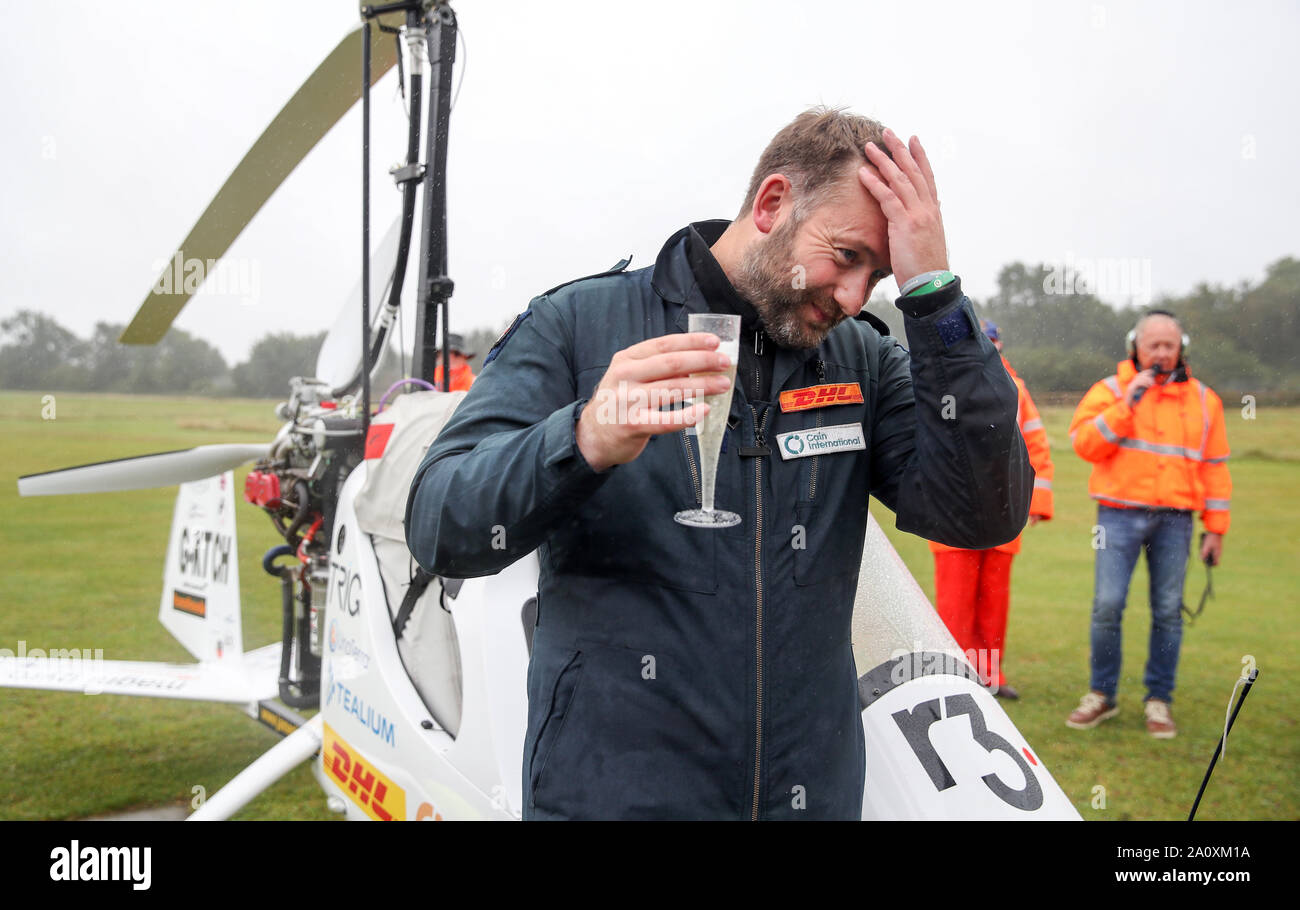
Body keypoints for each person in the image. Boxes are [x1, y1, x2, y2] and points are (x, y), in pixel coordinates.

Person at [405, 108, 1032, 819]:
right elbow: (438, 523)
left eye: (882, 276)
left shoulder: (860, 357)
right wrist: (580, 440)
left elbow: (981, 513)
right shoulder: (578, 325)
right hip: (611, 798)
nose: (857, 297)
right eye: (848, 255)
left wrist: (936, 300)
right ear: (771, 205)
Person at [1065, 310, 1230, 739]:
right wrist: (1126, 405)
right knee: (1107, 606)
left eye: (1169, 345)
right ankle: (1101, 694)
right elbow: (1084, 445)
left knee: (1169, 612)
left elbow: (1215, 467)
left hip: (1177, 521)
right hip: (1116, 517)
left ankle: (1159, 701)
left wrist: (1216, 527)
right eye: (1153, 345)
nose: (1161, 353)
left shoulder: (1205, 400)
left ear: (1182, 349)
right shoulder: (1110, 390)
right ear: (1134, 348)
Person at [929, 320, 1053, 700]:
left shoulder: (1017, 391)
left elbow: (1036, 446)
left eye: (992, 345)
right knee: (955, 602)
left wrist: (1036, 502)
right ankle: (954, 678)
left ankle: (988, 676)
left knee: (993, 603)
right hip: (955, 515)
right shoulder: (938, 386)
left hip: (1004, 513)